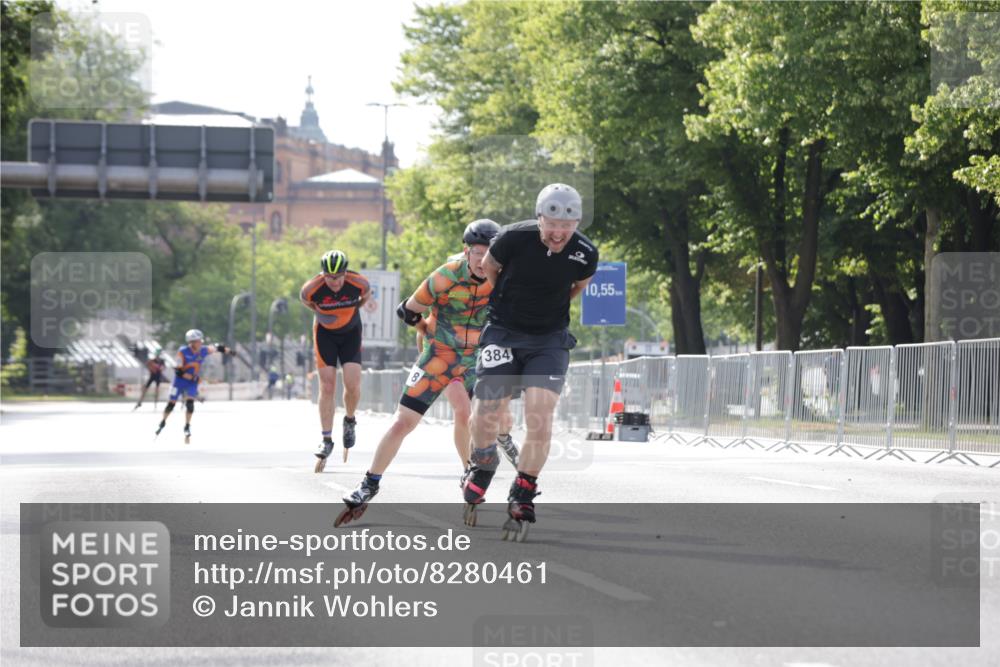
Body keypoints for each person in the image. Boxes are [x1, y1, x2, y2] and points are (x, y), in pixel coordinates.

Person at [337, 220, 518, 526]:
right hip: (438, 357)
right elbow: (406, 310)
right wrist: (428, 332)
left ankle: (484, 458)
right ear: (466, 251)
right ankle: (369, 484)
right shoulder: (446, 275)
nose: (483, 259)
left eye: (490, 253)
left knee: (487, 416)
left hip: (476, 358)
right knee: (403, 422)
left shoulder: (503, 279)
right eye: (477, 253)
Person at [465, 183, 598, 541]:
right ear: (539, 218)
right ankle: (482, 463)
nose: (558, 233)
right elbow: (490, 270)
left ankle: (523, 490)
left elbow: (577, 287)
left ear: (577, 224)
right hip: (504, 331)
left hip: (549, 338)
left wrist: (545, 310)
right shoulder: (511, 238)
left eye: (566, 227)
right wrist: (510, 303)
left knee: (540, 412)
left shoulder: (585, 252)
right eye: (551, 224)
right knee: (485, 409)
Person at [300, 250, 371, 472]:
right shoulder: (311, 289)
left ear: (345, 273)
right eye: (329, 277)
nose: (335, 282)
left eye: (339, 277)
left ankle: (349, 420)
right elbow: (307, 302)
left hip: (350, 333)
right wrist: (323, 314)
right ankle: (326, 438)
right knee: (328, 385)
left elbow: (365, 296)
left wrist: (350, 311)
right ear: (323, 275)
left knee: (352, 384)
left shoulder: (358, 283)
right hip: (325, 334)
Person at [154, 330, 234, 442]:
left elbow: (217, 347)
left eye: (201, 341)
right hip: (179, 381)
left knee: (190, 404)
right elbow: (178, 370)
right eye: (198, 341)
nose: (201, 343)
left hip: (192, 381)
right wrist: (188, 376)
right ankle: (163, 421)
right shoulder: (182, 352)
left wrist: (230, 351)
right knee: (171, 404)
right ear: (191, 342)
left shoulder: (203, 350)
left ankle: (187, 426)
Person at [134, 345, 166, 410]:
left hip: (158, 376)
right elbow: (148, 366)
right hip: (152, 375)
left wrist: (159, 368)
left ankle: (155, 404)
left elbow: (163, 368)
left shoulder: (161, 361)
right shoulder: (152, 360)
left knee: (157, 390)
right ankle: (140, 402)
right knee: (145, 389)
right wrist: (152, 368)